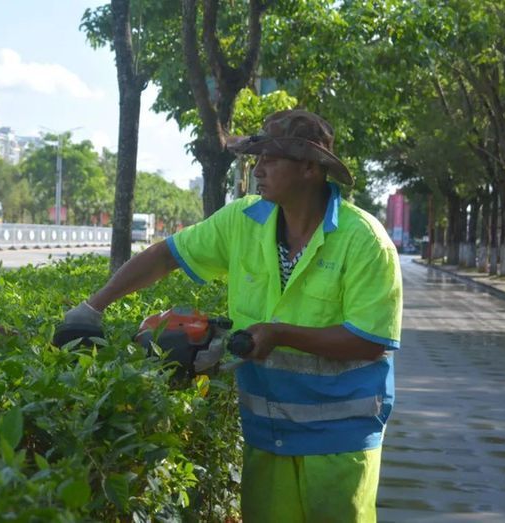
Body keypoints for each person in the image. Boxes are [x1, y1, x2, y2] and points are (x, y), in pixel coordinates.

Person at [61, 109, 403, 522]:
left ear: (311, 168)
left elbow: (370, 339)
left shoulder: (364, 241)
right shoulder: (243, 221)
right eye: (255, 160)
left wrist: (278, 333)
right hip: (267, 428)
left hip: (339, 438)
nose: (257, 170)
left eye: (270, 160)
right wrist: (93, 306)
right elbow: (167, 255)